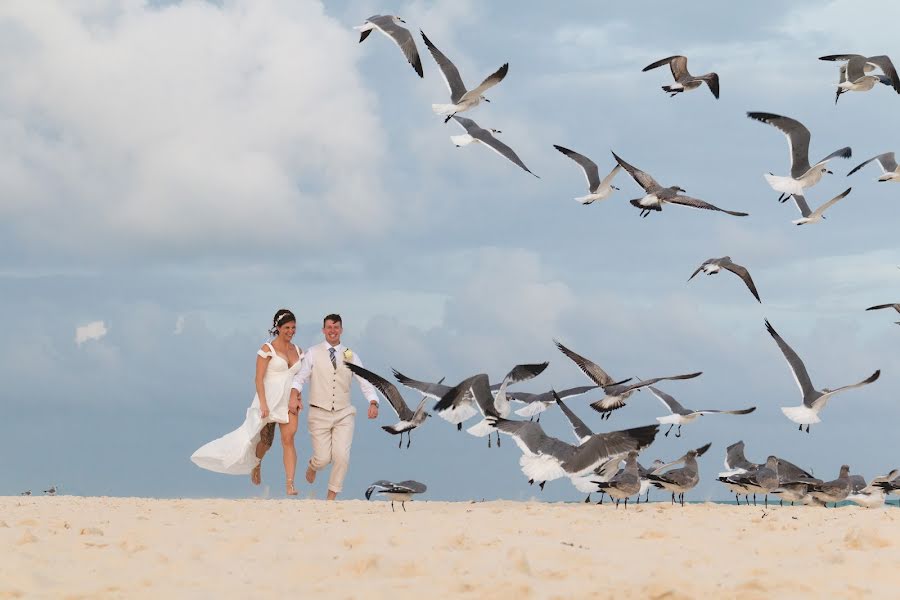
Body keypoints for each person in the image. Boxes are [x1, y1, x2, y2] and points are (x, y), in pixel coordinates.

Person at [191, 309, 304, 495]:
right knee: (266, 442)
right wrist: (263, 404)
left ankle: (290, 484)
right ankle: (256, 462)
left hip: (288, 402)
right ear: (278, 327)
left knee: (289, 439)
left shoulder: (298, 351)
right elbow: (258, 379)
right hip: (269, 400)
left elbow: (300, 378)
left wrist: (297, 397)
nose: (290, 331)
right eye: (286, 327)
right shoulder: (267, 349)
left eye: (293, 327)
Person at [289, 314, 379, 500]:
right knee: (322, 459)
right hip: (318, 413)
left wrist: (373, 401)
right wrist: (293, 395)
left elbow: (365, 380)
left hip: (344, 413)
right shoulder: (312, 353)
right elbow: (300, 377)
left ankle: (330, 499)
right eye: (329, 327)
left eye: (336, 327)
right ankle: (313, 466)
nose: (332, 331)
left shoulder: (350, 355)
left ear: (341, 330)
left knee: (341, 457)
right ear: (323, 330)